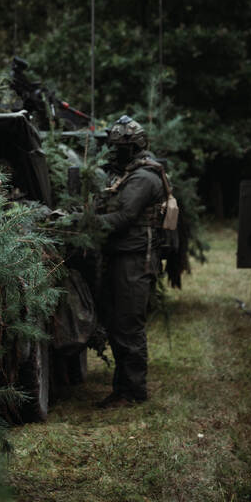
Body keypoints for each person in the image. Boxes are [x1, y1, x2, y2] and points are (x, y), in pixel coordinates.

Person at [94, 115, 168, 407]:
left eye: (118, 146)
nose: (113, 151)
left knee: (128, 326)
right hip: (122, 257)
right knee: (116, 323)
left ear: (134, 146)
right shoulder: (130, 174)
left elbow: (124, 217)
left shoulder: (143, 178)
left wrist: (87, 222)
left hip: (135, 260)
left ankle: (134, 392)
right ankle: (122, 388)